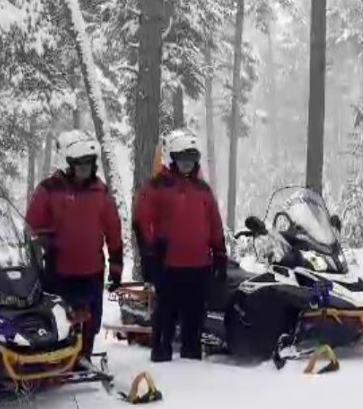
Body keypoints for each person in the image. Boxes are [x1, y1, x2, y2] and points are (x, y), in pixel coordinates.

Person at [25, 130, 123, 360]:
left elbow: (113, 229)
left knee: (90, 321)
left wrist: (116, 264)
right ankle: (56, 357)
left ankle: (84, 356)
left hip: (92, 270)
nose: (83, 170)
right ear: (67, 164)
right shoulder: (49, 189)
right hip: (58, 270)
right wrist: (42, 243)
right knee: (61, 319)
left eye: (88, 165)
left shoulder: (100, 191)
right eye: (79, 165)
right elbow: (31, 226)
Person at [133, 130, 227, 363]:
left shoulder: (203, 190)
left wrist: (221, 254)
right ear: (172, 158)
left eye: (192, 158)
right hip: (168, 266)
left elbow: (215, 223)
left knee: (194, 319)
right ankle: (161, 357)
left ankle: (191, 360)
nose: (187, 163)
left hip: (199, 266)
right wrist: (148, 254)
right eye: (182, 158)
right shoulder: (157, 186)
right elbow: (141, 219)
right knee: (165, 316)